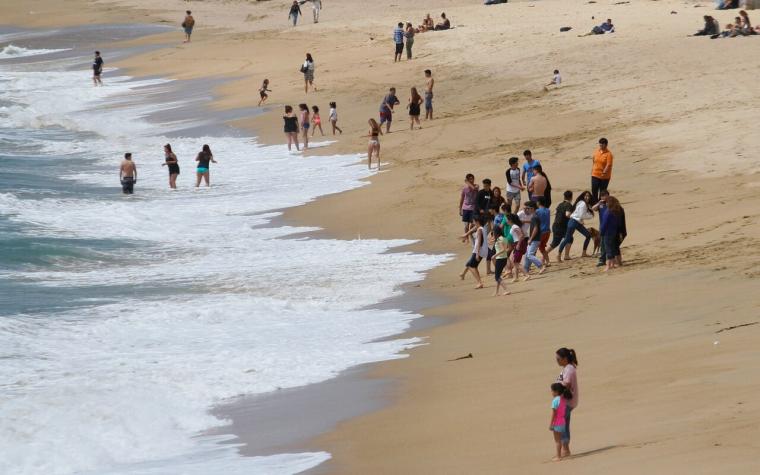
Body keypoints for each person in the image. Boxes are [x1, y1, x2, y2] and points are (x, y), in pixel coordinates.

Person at [555, 348, 579, 458]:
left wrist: (557, 389)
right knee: (564, 424)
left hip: (567, 402)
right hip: (568, 401)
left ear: (565, 359)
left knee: (561, 424)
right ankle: (566, 449)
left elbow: (567, 384)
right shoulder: (568, 367)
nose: (557, 360)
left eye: (558, 359)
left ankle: (565, 449)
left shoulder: (569, 369)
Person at [557, 191, 593, 260]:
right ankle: (559, 255)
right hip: (573, 222)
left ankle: (584, 253)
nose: (587, 197)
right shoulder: (583, 204)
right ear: (583, 196)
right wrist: (590, 216)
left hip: (577, 222)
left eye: (588, 196)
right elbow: (581, 215)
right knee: (567, 238)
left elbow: (580, 214)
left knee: (588, 235)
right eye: (586, 196)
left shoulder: (583, 203)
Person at [459, 214, 488, 289]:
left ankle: (479, 283)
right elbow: (473, 230)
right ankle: (478, 281)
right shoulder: (481, 228)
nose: (472, 222)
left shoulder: (479, 230)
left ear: (477, 221)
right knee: (473, 266)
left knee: (471, 266)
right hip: (481, 250)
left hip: (479, 251)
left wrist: (477, 254)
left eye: (474, 221)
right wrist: (466, 234)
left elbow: (479, 242)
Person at [546, 190, 573, 262]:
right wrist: (574, 217)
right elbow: (567, 214)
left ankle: (566, 255)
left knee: (568, 239)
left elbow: (555, 212)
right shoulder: (569, 205)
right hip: (561, 226)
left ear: (564, 197)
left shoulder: (560, 204)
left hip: (555, 225)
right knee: (556, 242)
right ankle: (545, 254)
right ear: (571, 197)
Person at [549, 383, 573, 462]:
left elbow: (553, 413)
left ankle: (558, 456)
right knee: (559, 440)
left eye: (552, 391)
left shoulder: (555, 400)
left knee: (557, 440)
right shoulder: (562, 399)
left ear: (556, 392)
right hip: (562, 422)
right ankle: (558, 454)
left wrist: (551, 424)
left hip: (557, 422)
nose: (551, 392)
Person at [600, 195, 623, 271]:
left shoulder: (608, 212)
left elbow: (604, 224)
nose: (605, 204)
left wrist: (601, 232)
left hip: (607, 233)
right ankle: (613, 264)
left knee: (608, 248)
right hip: (614, 232)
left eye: (606, 202)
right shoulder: (616, 211)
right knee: (613, 248)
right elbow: (619, 224)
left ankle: (608, 266)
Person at [523, 201, 545, 279]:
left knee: (530, 255)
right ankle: (526, 271)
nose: (527, 210)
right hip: (534, 239)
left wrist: (531, 239)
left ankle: (541, 266)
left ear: (532, 209)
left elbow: (536, 228)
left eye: (528, 209)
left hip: (535, 239)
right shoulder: (534, 216)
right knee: (527, 255)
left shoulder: (535, 217)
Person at [591, 138, 613, 204]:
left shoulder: (609, 154)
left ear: (606, 145)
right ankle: (595, 202)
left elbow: (608, 164)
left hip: (604, 176)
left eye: (602, 144)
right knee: (594, 189)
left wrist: (604, 172)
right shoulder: (596, 152)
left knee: (602, 191)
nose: (600, 145)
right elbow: (594, 161)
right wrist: (592, 169)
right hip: (595, 174)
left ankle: (601, 202)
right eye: (600, 144)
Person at [491, 224, 511, 296]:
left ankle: (506, 289)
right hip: (504, 258)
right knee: (498, 276)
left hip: (500, 259)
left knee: (497, 277)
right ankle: (496, 292)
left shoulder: (499, 239)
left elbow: (503, 249)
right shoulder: (504, 238)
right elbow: (507, 248)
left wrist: (494, 255)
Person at [505, 213, 525, 282]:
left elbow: (522, 235)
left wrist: (518, 244)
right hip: (517, 244)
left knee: (515, 262)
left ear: (510, 220)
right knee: (515, 261)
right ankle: (516, 277)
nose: (506, 221)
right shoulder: (513, 226)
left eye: (506, 219)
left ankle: (527, 274)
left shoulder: (514, 226)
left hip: (519, 244)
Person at [593, 190, 610, 267]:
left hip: (610, 226)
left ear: (608, 196)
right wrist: (598, 203)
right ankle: (602, 260)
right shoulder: (600, 205)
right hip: (602, 227)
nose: (603, 197)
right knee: (602, 243)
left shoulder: (611, 203)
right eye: (602, 196)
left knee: (610, 243)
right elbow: (594, 208)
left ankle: (611, 258)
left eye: (604, 195)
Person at [535, 196, 552, 265]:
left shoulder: (537, 211)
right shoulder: (548, 210)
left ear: (538, 202)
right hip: (547, 232)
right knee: (542, 248)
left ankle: (532, 263)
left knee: (534, 248)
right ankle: (547, 261)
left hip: (541, 232)